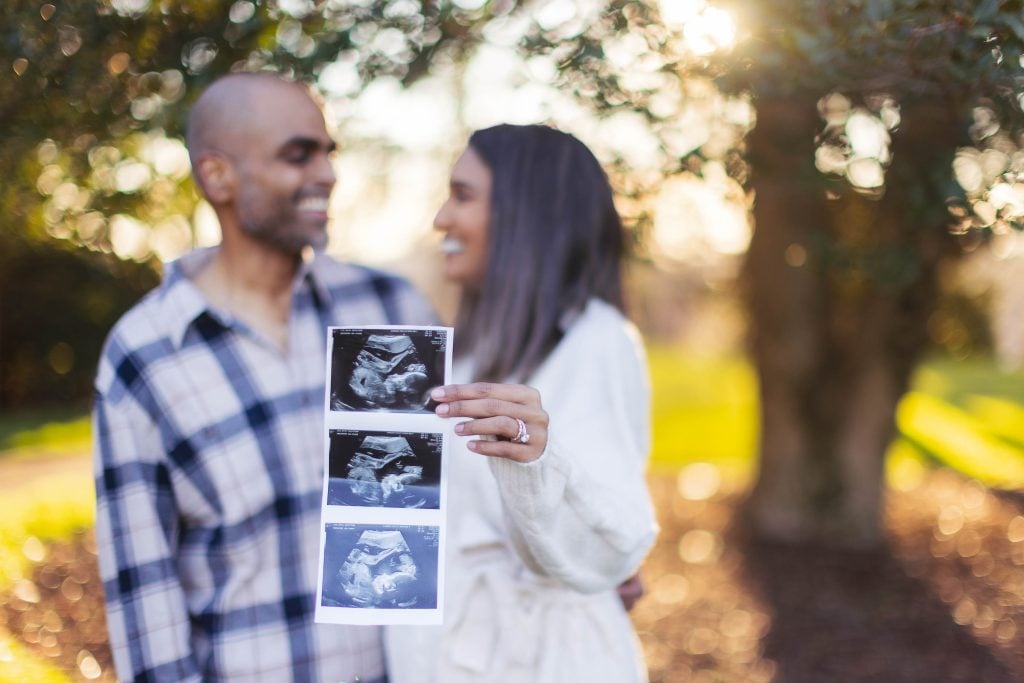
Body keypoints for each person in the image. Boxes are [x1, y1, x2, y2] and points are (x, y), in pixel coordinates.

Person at [92, 73, 434, 682]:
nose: (327, 174)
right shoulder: (145, 355)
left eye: (329, 153)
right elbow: (145, 599)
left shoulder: (389, 311)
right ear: (217, 175)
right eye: (298, 154)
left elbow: (472, 499)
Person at [384, 124, 658, 682]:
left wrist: (536, 465)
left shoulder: (597, 343)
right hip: (445, 648)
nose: (441, 218)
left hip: (541, 660)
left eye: (463, 195)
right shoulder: (465, 354)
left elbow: (610, 534)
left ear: (525, 214)